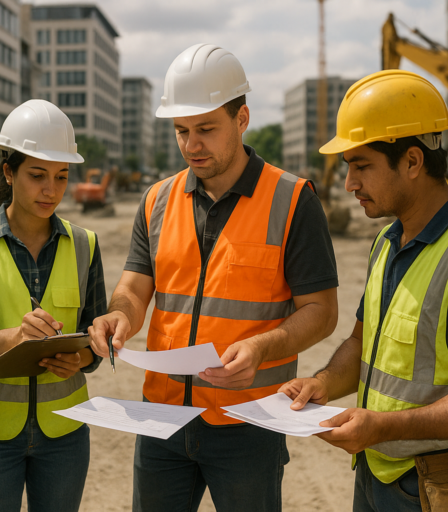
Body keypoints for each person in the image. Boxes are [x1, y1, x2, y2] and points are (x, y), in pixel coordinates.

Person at [89, 43, 339, 512]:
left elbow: (322, 313)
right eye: (181, 131)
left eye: (206, 129)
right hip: (161, 418)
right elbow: (133, 289)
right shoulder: (156, 200)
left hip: (249, 422)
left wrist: (263, 348)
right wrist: (118, 317)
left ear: (241, 119)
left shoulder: (292, 200)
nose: (191, 145)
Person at [280, 70, 448, 512]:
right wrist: (320, 385)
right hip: (381, 477)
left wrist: (380, 428)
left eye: (362, 166)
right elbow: (363, 342)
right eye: (348, 168)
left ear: (413, 162)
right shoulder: (388, 240)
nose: (349, 184)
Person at [0, 99, 106, 512]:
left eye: (61, 176)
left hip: (65, 431)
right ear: (9, 172)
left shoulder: (86, 245)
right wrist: (11, 339)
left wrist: (83, 356)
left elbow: (97, 332)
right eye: (37, 175)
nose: (51, 190)